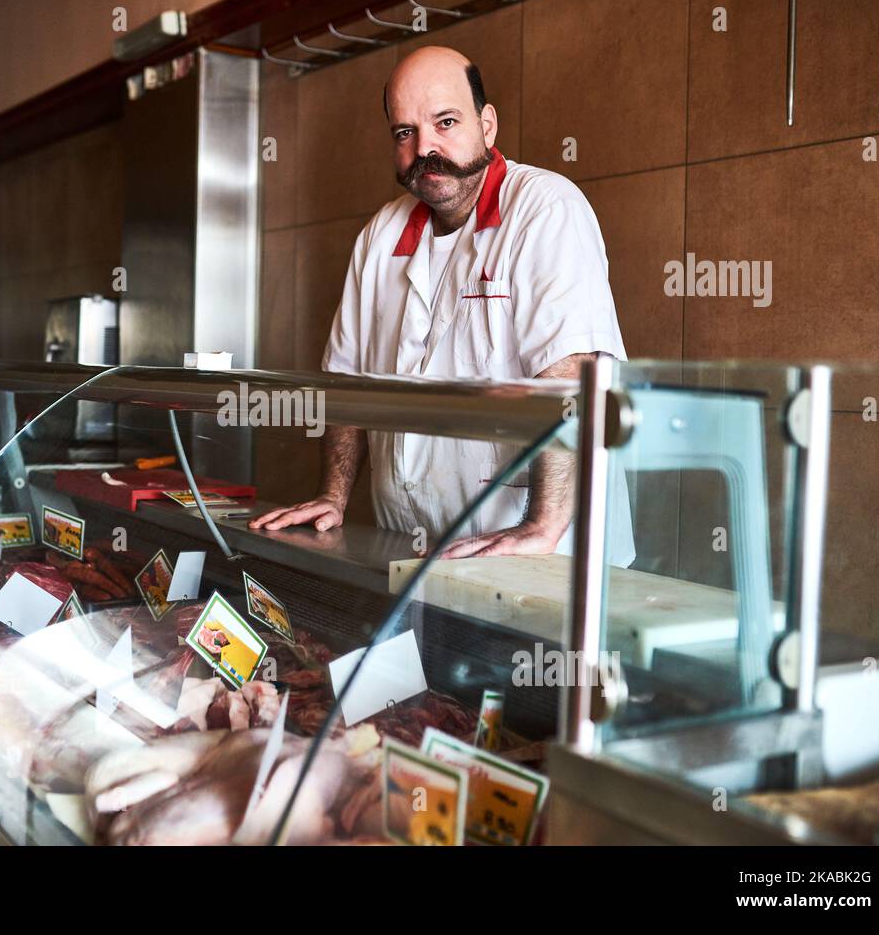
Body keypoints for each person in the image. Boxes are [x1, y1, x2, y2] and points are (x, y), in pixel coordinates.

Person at [250, 46, 634, 564]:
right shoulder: (379, 236)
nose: (425, 147)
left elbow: (572, 377)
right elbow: (345, 385)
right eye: (404, 132)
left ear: (487, 124)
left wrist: (542, 526)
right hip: (416, 549)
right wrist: (333, 495)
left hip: (543, 556)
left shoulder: (547, 209)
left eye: (446, 122)